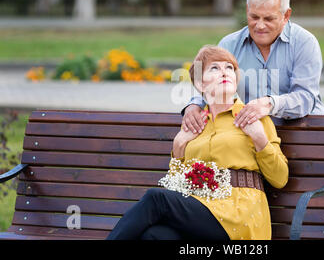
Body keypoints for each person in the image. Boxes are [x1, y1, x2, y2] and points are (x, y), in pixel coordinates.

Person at [107, 46, 289, 240]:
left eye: (229, 68)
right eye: (214, 68)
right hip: (199, 213)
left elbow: (280, 178)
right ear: (201, 84)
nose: (224, 72)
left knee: (155, 199)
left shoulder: (254, 119)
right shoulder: (195, 124)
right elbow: (176, 187)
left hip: (238, 216)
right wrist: (178, 149)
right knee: (154, 236)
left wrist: (260, 139)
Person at [182, 0, 324, 136]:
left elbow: (305, 98)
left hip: (303, 134)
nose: (260, 25)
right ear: (247, 10)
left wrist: (270, 103)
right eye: (254, 16)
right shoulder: (229, 44)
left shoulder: (304, 43)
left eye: (269, 19)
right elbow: (209, 85)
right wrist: (194, 105)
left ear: (286, 16)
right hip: (249, 138)